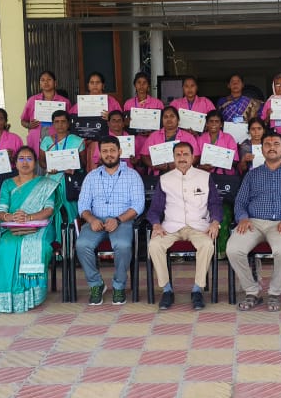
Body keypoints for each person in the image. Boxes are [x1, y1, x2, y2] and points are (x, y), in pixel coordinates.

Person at [226, 133, 281, 312]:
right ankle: (252, 291)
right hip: (252, 223)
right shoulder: (252, 175)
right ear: (261, 150)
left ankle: (274, 293)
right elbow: (240, 201)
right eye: (267, 144)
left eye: (276, 144)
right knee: (233, 249)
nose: (272, 147)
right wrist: (243, 218)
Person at [147, 142, 223, 310]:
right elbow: (155, 209)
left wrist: (215, 222)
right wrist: (156, 224)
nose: (182, 158)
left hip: (198, 226)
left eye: (185, 154)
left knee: (207, 245)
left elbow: (215, 204)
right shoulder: (165, 179)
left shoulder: (204, 177)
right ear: (173, 158)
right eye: (178, 155)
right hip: (171, 227)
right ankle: (167, 289)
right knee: (154, 245)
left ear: (193, 157)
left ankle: (197, 289)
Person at [0, 146, 65, 313]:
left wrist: (29, 218)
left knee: (37, 245)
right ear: (15, 163)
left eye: (29, 159)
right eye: (21, 159)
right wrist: (12, 217)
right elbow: (1, 212)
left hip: (40, 228)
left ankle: (32, 296)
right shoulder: (8, 184)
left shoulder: (46, 184)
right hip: (12, 228)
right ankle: (5, 297)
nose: (25, 162)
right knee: (3, 249)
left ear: (35, 163)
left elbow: (49, 210)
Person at [76, 136, 145, 306]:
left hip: (122, 220)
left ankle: (119, 285)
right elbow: (83, 205)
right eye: (105, 151)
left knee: (123, 245)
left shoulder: (132, 175)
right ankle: (96, 284)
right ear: (100, 154)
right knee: (82, 244)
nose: (109, 154)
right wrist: (91, 219)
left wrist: (118, 220)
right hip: (96, 221)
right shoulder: (91, 176)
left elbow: (138, 206)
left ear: (120, 151)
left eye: (112, 150)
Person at [40, 109, 85, 222]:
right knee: (51, 210)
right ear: (53, 124)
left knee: (71, 211)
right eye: (57, 122)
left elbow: (83, 163)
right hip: (51, 180)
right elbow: (41, 162)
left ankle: (72, 231)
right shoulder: (46, 141)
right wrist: (48, 168)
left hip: (70, 181)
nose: (60, 125)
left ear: (68, 123)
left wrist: (74, 168)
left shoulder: (78, 141)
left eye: (63, 121)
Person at [20, 70, 72, 156]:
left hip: (57, 139)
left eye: (49, 79)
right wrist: (29, 125)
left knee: (56, 160)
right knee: (37, 162)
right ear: (40, 84)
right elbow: (23, 121)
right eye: (43, 80)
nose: (46, 82)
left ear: (55, 83)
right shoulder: (32, 100)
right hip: (36, 139)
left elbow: (70, 122)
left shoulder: (64, 101)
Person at [140, 106, 199, 175]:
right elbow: (144, 155)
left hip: (182, 174)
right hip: (158, 174)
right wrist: (154, 165)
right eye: (165, 117)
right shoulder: (154, 136)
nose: (169, 119)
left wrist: (181, 166)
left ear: (178, 119)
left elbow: (196, 156)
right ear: (162, 120)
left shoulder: (188, 137)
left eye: (172, 116)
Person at [195, 110, 240, 175]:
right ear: (207, 123)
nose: (214, 124)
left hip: (225, 176)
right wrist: (200, 166)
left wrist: (217, 162)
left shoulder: (229, 138)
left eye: (217, 121)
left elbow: (235, 161)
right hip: (204, 174)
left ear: (221, 124)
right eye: (211, 121)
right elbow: (196, 159)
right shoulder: (200, 139)